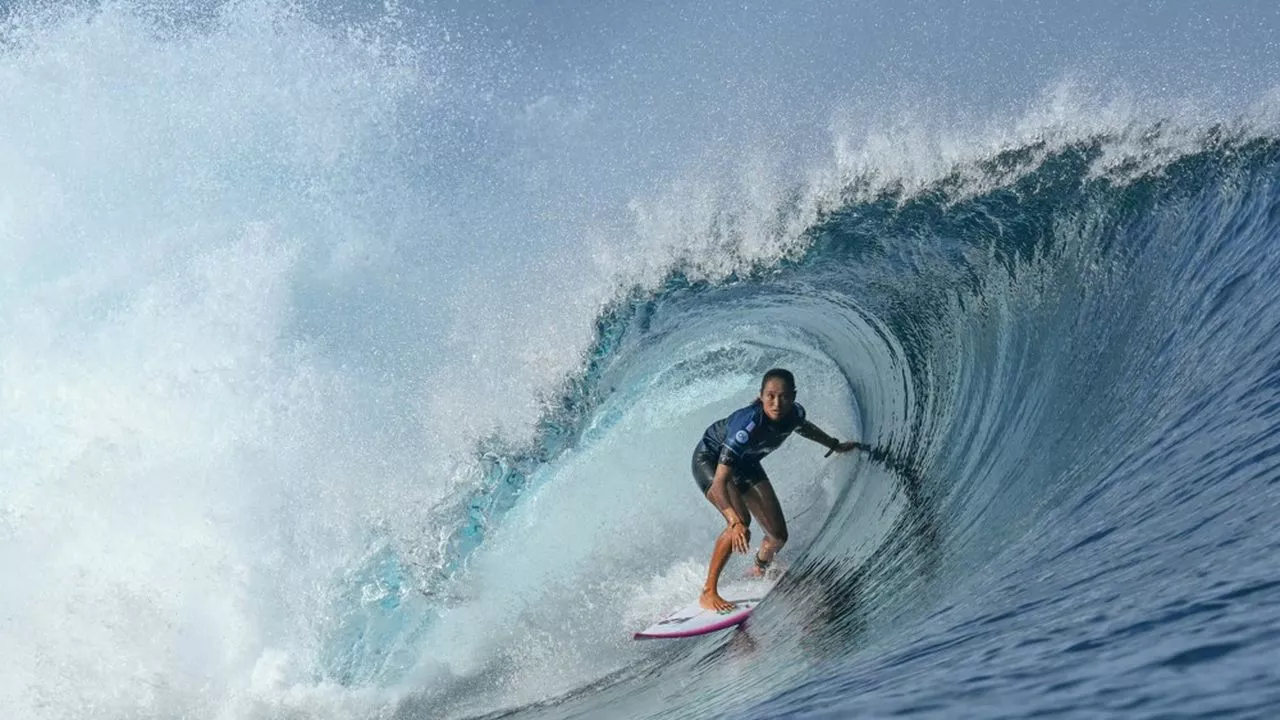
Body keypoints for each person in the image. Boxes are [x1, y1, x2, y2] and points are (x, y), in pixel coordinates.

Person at [691, 368, 862, 611]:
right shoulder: (746, 427)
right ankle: (708, 591)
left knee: (778, 536)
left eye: (783, 397)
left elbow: (803, 427)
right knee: (741, 522)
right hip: (711, 461)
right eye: (770, 396)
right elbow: (720, 482)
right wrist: (733, 520)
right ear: (760, 396)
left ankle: (759, 568)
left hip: (746, 463)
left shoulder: (794, 414)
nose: (777, 403)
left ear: (793, 396)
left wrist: (834, 445)